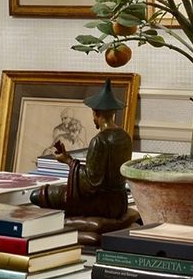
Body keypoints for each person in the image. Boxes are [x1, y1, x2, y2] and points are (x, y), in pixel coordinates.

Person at [30, 79, 131, 219]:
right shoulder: (125, 137)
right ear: (113, 111)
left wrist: (69, 161)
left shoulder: (99, 141)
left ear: (96, 113)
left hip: (101, 203)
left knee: (38, 195)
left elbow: (91, 183)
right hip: (121, 201)